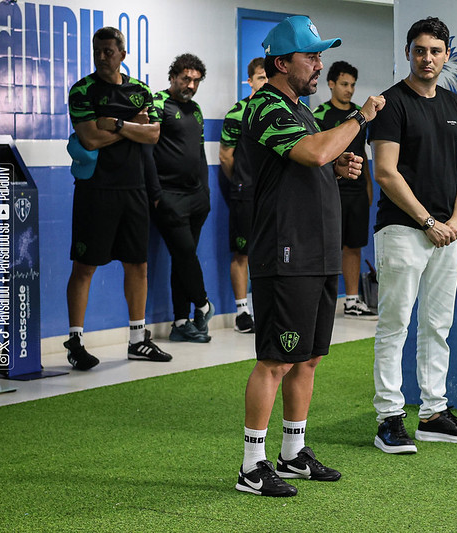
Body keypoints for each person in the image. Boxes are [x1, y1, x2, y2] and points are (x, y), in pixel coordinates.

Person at [232, 15, 385, 497]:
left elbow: (312, 158)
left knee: (310, 358)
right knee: (276, 360)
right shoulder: (267, 107)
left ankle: (293, 452)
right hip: (285, 251)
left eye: (320, 56)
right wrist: (357, 119)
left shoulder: (301, 109)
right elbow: (313, 153)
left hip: (318, 252)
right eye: (311, 56)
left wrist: (339, 164)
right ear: (282, 62)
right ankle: (251, 466)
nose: (319, 65)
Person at [368, 16, 457, 454]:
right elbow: (385, 172)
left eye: (436, 51)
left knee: (438, 325)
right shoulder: (391, 104)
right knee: (394, 325)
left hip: (446, 232)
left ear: (447, 55)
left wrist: (454, 221)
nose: (428, 58)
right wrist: (428, 222)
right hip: (403, 229)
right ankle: (389, 419)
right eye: (420, 50)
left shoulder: (453, 104)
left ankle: (434, 413)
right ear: (408, 53)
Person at [64, 26, 171, 370]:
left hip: (134, 190)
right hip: (95, 190)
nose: (102, 56)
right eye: (98, 50)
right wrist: (131, 129)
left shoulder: (140, 90)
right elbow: (90, 139)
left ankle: (138, 340)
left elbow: (153, 134)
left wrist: (116, 124)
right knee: (85, 266)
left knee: (137, 264)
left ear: (123, 54)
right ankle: (75, 341)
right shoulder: (82, 90)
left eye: (109, 50)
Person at [149, 53, 213, 343]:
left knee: (181, 259)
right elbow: (146, 151)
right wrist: (156, 194)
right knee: (186, 254)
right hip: (169, 197)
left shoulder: (196, 109)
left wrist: (206, 191)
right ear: (173, 76)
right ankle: (203, 304)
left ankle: (180, 322)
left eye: (196, 81)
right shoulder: (158, 103)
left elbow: (200, 153)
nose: (191, 85)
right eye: (186, 78)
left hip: (196, 197)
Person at [313, 61, 377, 320]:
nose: (349, 90)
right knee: (328, 247)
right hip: (331, 192)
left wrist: (369, 188)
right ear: (331, 84)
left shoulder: (361, 116)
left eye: (352, 85)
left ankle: (352, 300)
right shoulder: (319, 115)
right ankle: (319, 301)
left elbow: (364, 155)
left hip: (357, 192)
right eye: (344, 84)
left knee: (354, 246)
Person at [219, 57, 268, 334]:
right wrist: (241, 183)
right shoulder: (237, 113)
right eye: (259, 78)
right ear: (250, 81)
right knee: (242, 253)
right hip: (244, 194)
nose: (264, 84)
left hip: (271, 194)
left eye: (267, 78)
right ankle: (242, 311)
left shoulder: (277, 112)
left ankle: (265, 307)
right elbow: (225, 157)